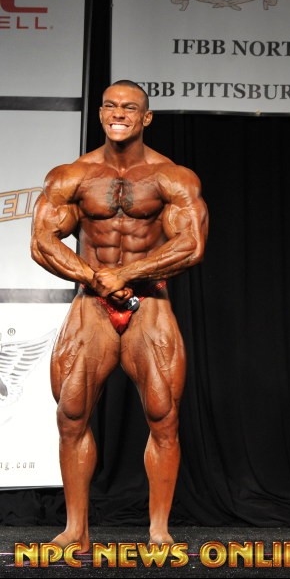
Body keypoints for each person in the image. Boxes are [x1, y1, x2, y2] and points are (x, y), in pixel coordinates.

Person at [30, 80, 209, 552]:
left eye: (130, 107)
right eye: (110, 105)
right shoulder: (72, 176)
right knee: (71, 414)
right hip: (91, 303)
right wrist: (94, 276)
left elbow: (191, 245)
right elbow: (42, 241)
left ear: (146, 118)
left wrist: (126, 273)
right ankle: (76, 530)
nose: (119, 113)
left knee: (163, 416)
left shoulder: (173, 178)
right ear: (101, 114)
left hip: (150, 302)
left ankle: (158, 530)